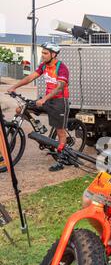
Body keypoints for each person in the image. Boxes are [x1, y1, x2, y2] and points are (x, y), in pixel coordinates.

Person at [8, 43, 69, 171]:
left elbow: (59, 87)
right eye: (42, 53)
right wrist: (14, 87)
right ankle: (38, 126)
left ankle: (61, 160)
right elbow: (31, 77)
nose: (42, 55)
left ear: (54, 55)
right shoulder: (43, 66)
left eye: (45, 53)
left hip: (59, 102)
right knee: (20, 109)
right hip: (46, 100)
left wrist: (44, 99)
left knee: (60, 131)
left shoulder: (61, 68)